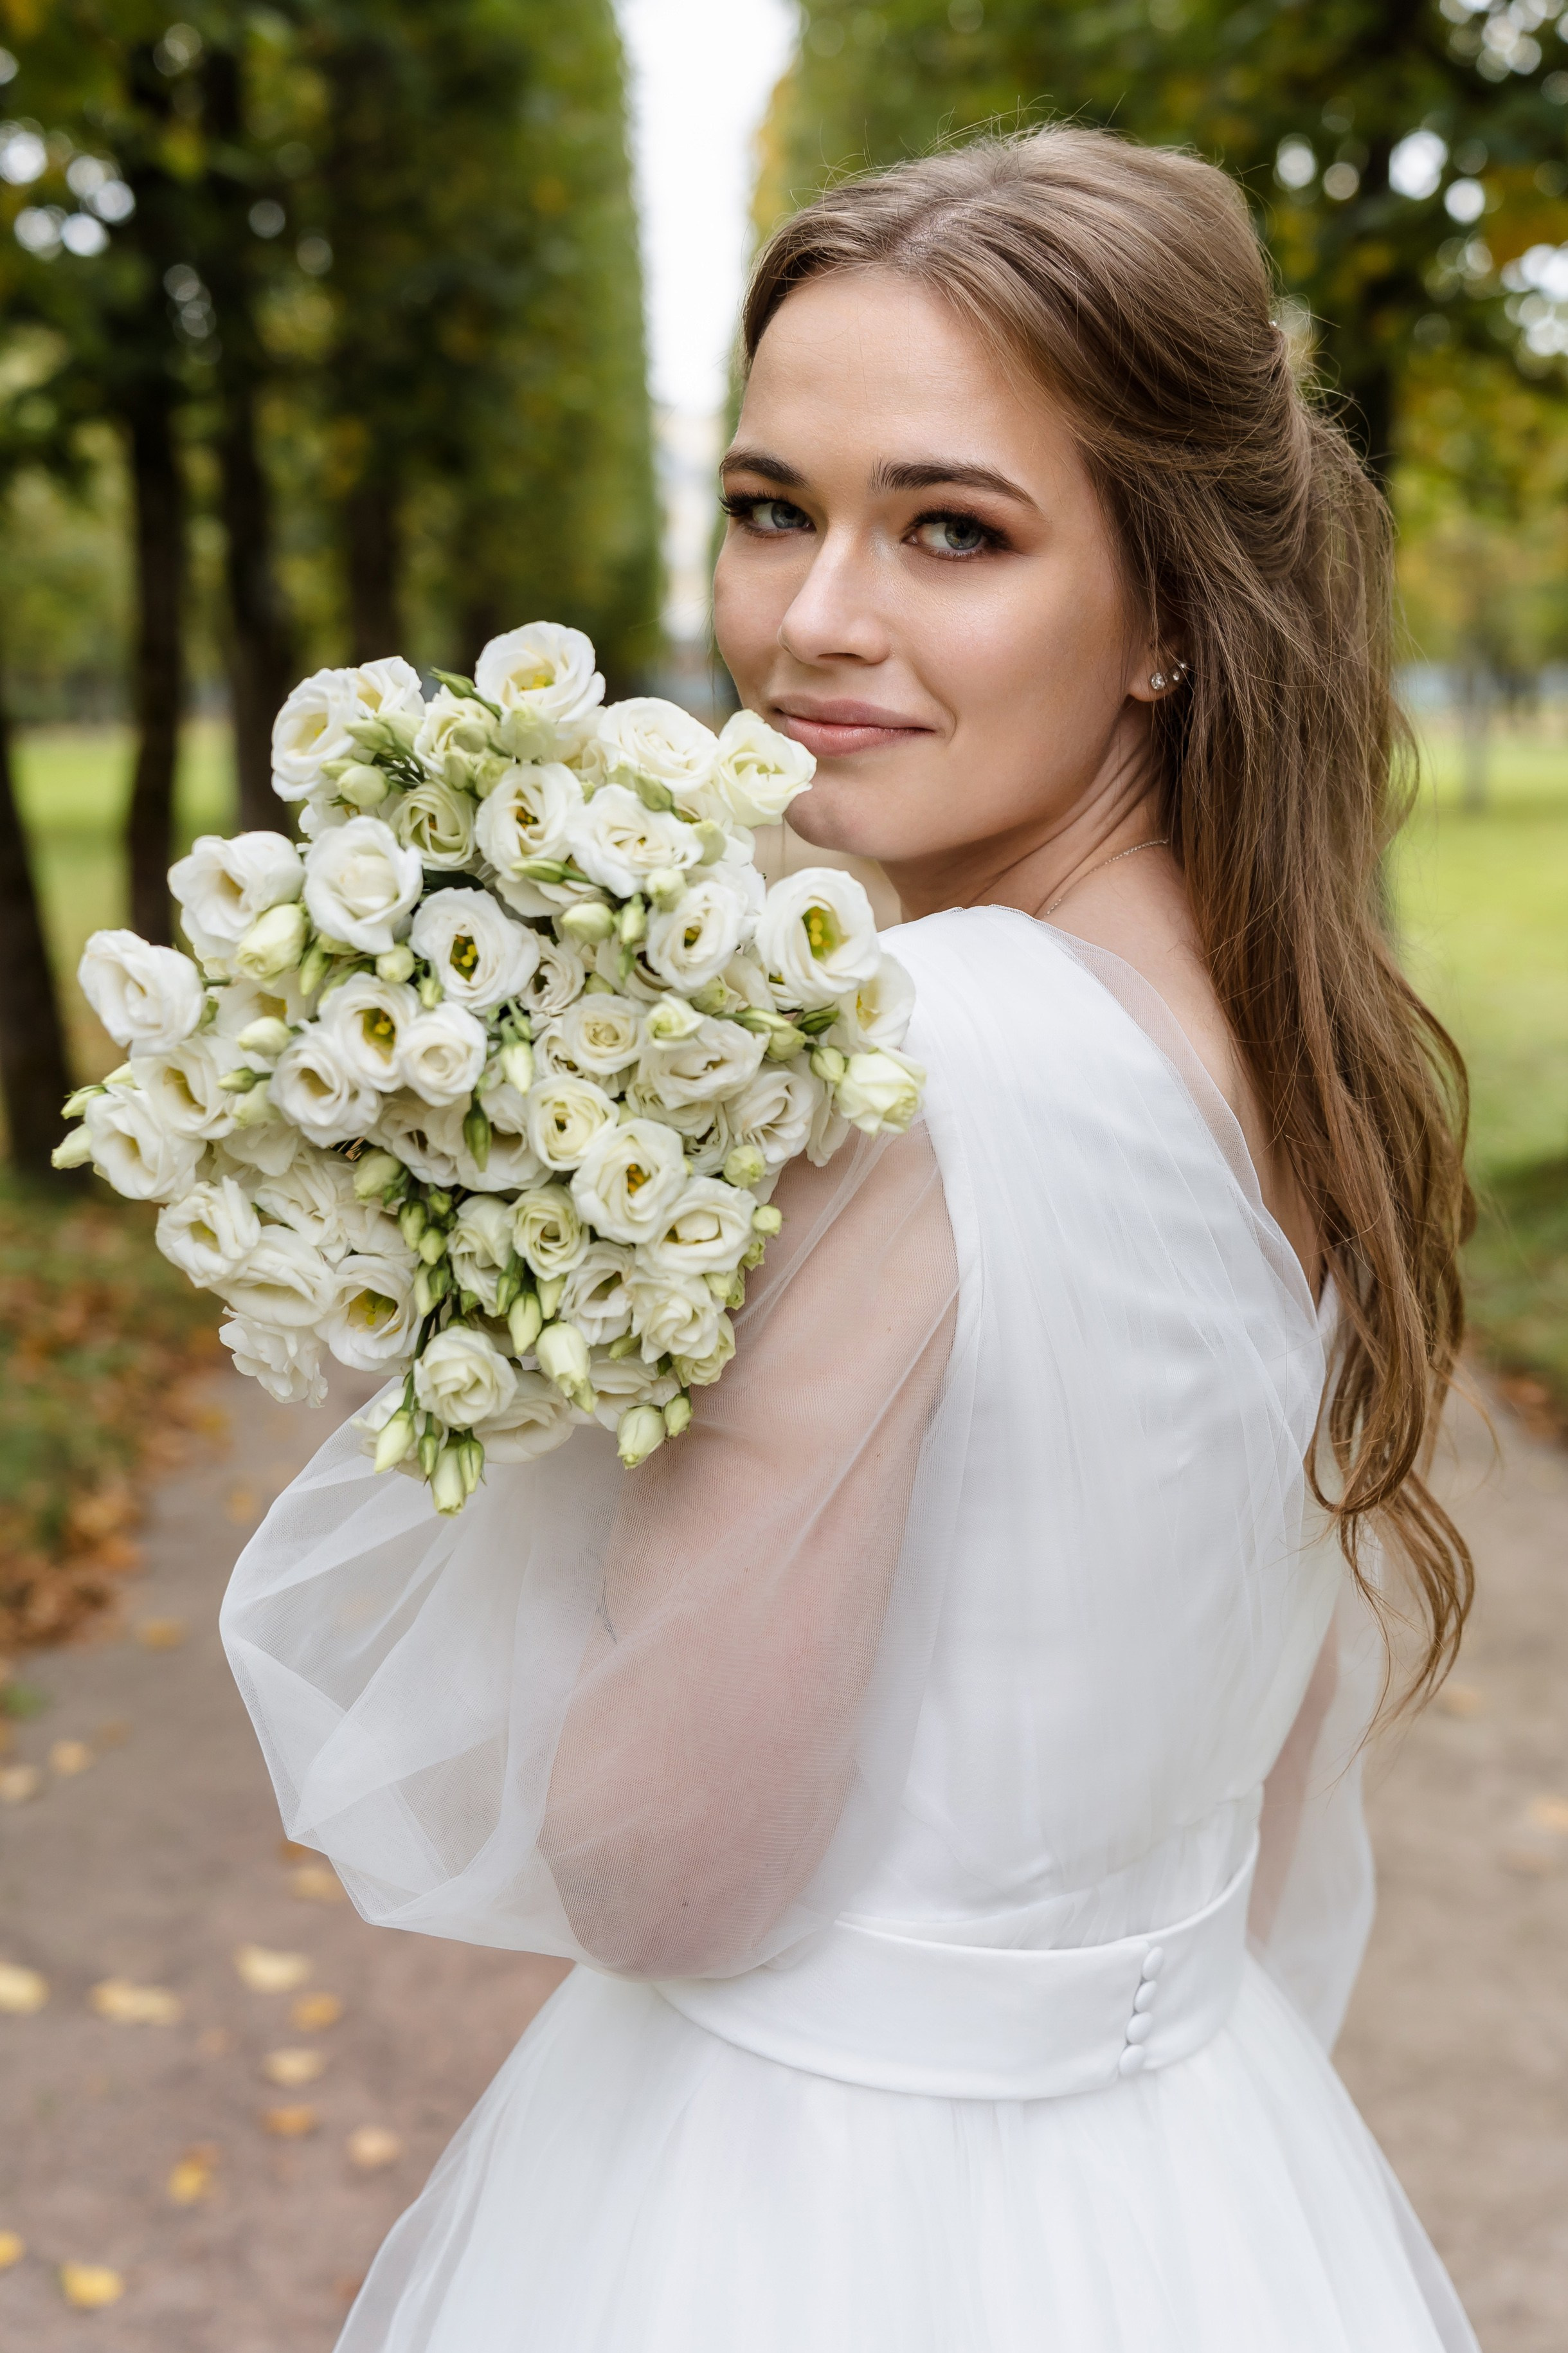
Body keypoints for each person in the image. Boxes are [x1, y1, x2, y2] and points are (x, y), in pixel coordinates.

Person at [222, 128, 1479, 2350]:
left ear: (1173, 609)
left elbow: (660, 1867)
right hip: (1201, 2173)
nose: (812, 621)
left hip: (809, 2210)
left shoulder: (898, 1066)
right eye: (773, 508)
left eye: (954, 530)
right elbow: (1255, 1818)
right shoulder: (1308, 1054)